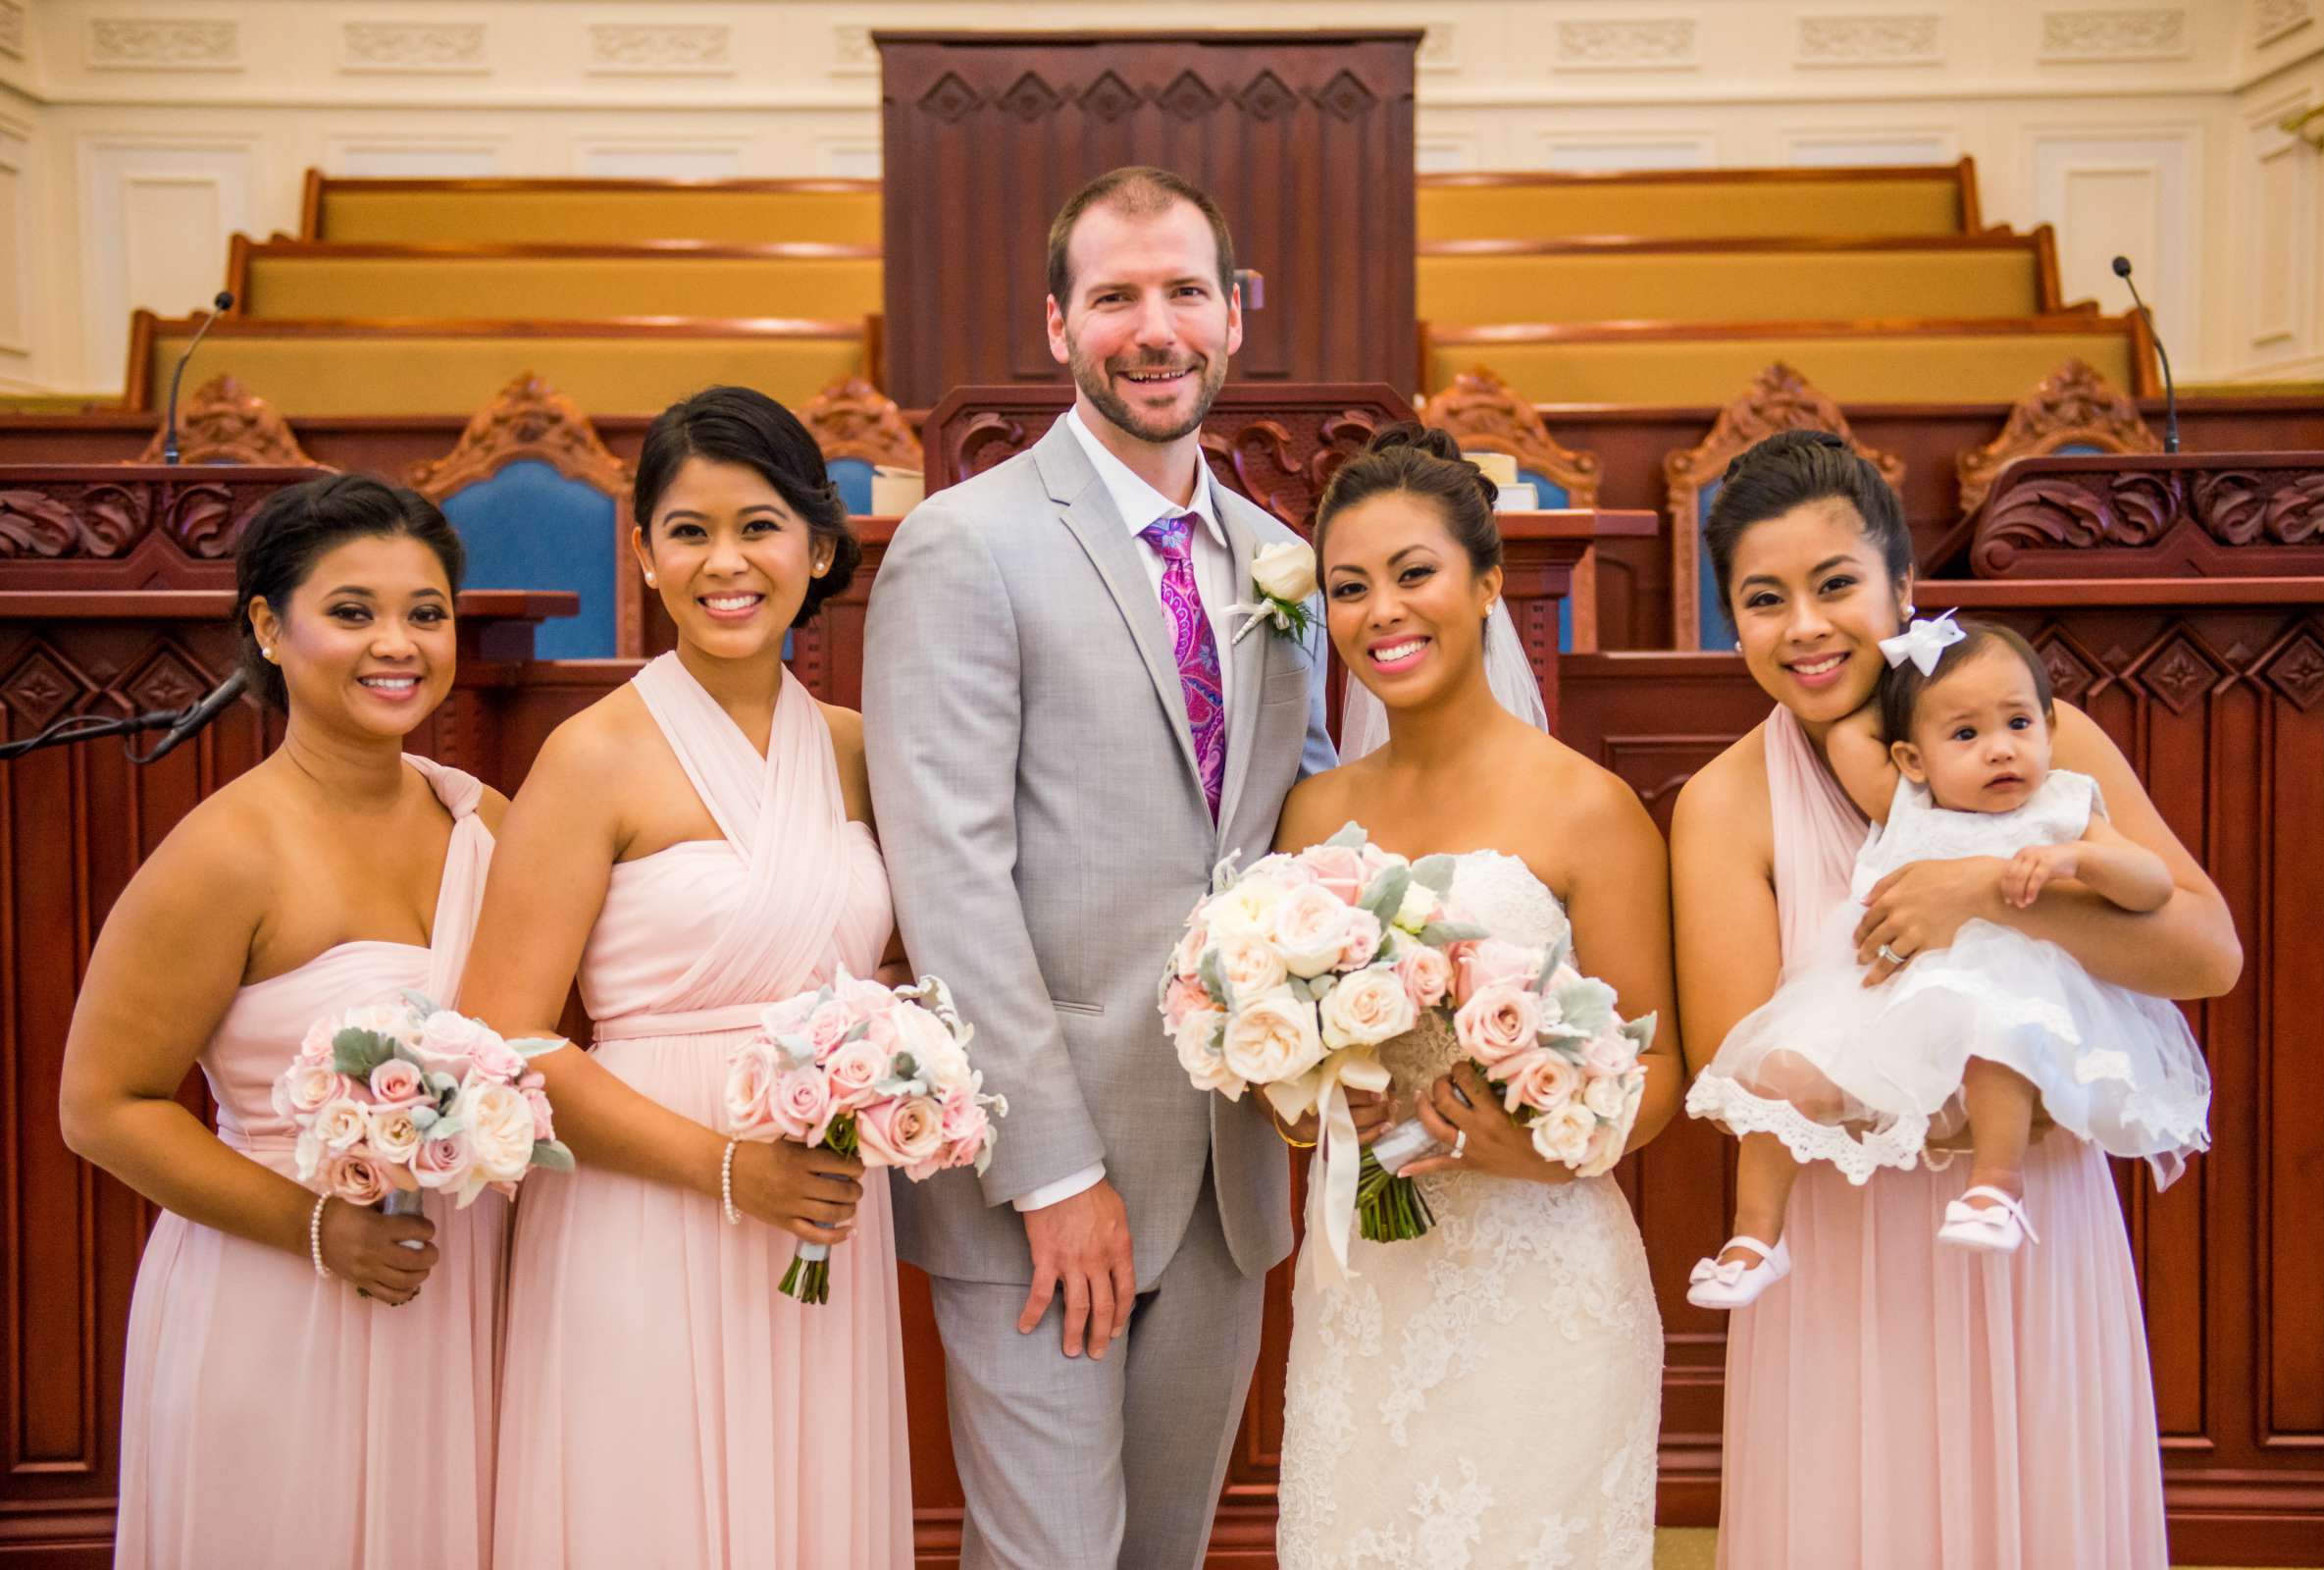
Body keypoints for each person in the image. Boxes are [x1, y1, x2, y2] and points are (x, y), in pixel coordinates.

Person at [861, 165, 1335, 1568]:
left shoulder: (1285, 564)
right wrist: (1053, 1171)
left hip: (1226, 1161)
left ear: (1236, 316)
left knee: (1163, 1554)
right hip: (1042, 1175)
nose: (1155, 327)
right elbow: (949, 873)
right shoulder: (965, 543)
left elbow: (1296, 827)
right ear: (1057, 323)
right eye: (1116, 296)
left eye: (1185, 291)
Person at [1671, 429, 2240, 1567]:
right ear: (1734, 621)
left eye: (1838, 586)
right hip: (1841, 1256)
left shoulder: (2037, 742)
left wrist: (1986, 894)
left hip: (2021, 1214)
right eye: (1766, 599)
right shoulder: (1725, 805)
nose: (1807, 628)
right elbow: (1748, 1070)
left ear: (1907, 589)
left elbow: (2206, 951)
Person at [466, 386, 912, 1569]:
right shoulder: (592, 755)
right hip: (643, 1210)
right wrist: (728, 1168)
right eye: (689, 529)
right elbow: (504, 1038)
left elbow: (910, 967)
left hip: (817, 1218)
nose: (727, 561)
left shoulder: (862, 750)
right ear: (645, 551)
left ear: (818, 546)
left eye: (759, 526)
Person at [59, 474, 505, 1568]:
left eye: (426, 612)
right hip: (279, 1296)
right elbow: (102, 1108)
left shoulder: (485, 821)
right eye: (352, 611)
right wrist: (325, 1229)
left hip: (460, 1288)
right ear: (269, 623)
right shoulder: (228, 852)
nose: (395, 644)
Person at [1268, 424, 1682, 1570]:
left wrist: (1543, 1146)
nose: (1381, 612)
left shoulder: (1589, 809)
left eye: (1415, 573)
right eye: (1349, 588)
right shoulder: (1312, 819)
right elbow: (1283, 1076)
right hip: (1367, 1278)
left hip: (1539, 1275)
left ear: (1489, 582)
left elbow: (1659, 1067)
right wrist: (1307, 1102)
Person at [1685, 611, 2211, 1306]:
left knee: (2001, 1038)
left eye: (2019, 725)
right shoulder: (1906, 800)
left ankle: (1996, 1187)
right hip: (1882, 995)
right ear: (1910, 758)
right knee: (1784, 1073)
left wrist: (2080, 859)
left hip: (2003, 983)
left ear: (2051, 731)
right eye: (1966, 734)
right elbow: (1847, 733)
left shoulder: (2064, 804)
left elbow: (2150, 886)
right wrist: (1903, 661)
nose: (2000, 750)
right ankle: (1755, 1237)